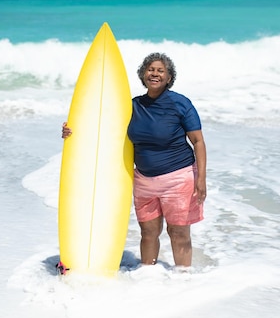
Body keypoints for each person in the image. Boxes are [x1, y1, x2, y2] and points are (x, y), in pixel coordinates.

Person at [62, 52, 207, 268]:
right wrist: (73, 131)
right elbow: (105, 128)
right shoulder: (134, 106)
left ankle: (183, 279)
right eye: (150, 69)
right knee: (148, 233)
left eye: (160, 70)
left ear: (169, 77)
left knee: (178, 232)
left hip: (178, 178)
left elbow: (198, 142)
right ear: (143, 74)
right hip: (144, 180)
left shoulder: (180, 104)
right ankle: (148, 276)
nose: (155, 73)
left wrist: (201, 179)